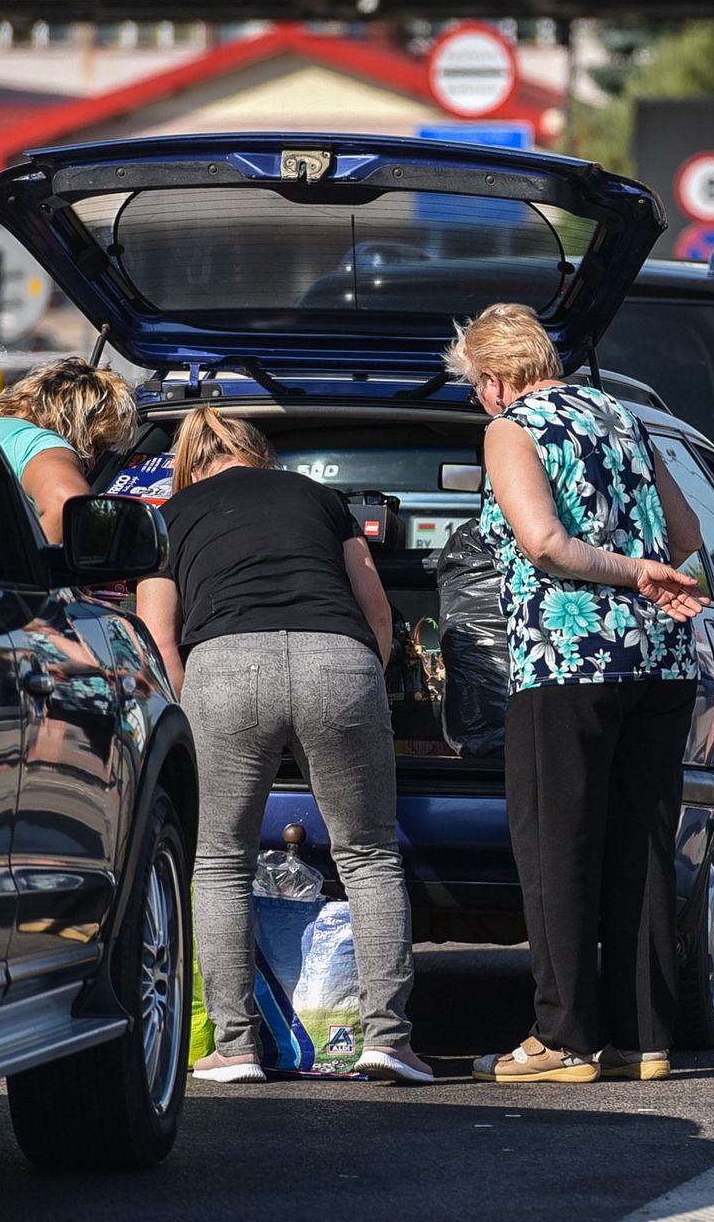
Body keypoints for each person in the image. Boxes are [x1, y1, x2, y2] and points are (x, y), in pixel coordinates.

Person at [442, 303, 707, 1084]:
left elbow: (542, 542)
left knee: (557, 848)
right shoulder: (622, 416)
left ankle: (563, 1039)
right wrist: (645, 567)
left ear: (492, 380)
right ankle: (643, 1039)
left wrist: (626, 572)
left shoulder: (511, 428)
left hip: (566, 661)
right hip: (658, 658)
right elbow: (685, 533)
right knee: (641, 848)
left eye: (474, 386)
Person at [136, 408, 432, 1086]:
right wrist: (362, 683)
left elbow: (158, 634)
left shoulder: (170, 513)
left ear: (190, 463)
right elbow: (377, 609)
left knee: (217, 862)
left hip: (225, 667)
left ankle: (236, 1047)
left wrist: (190, 714)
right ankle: (388, 1041)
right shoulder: (316, 497)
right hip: (338, 659)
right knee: (369, 853)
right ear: (258, 456)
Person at [0, 356, 139, 542]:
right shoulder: (40, 443)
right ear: (79, 425)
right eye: (97, 446)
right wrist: (29, 568)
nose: (94, 461)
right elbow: (68, 504)